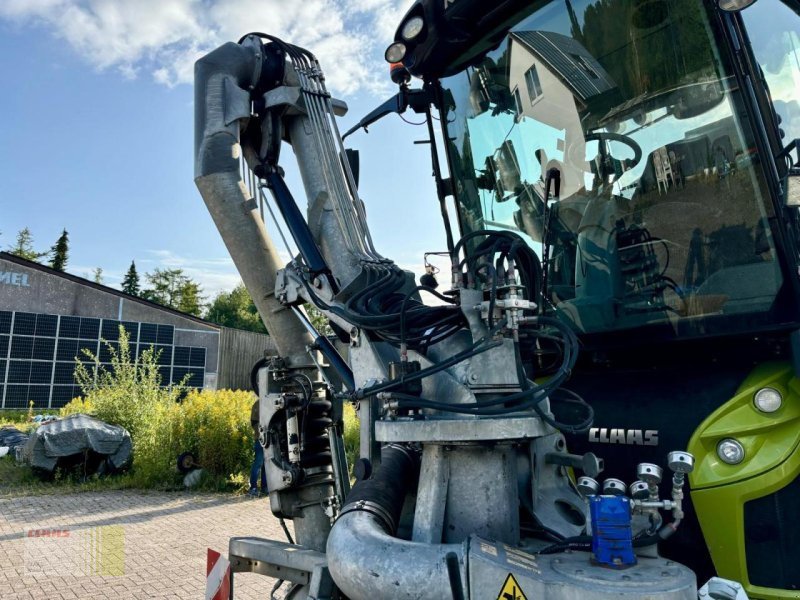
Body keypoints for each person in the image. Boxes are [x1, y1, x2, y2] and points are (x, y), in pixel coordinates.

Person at [249, 399, 268, 496]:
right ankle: (253, 488)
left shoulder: (269, 402)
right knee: (258, 463)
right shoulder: (257, 404)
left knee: (266, 464)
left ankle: (265, 487)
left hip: (270, 439)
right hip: (260, 439)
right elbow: (253, 422)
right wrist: (262, 433)